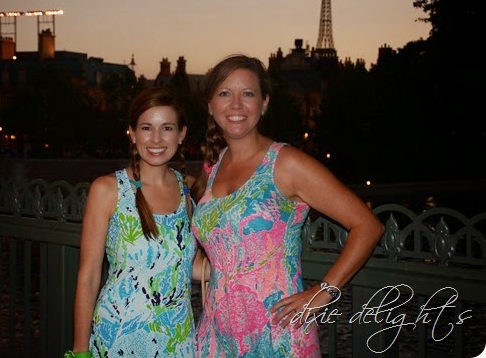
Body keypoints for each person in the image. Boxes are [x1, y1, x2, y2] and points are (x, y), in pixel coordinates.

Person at [191, 54, 385, 357]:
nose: (236, 105)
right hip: (217, 335)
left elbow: (368, 225)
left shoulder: (286, 163)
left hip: (277, 332)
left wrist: (324, 291)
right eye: (225, 93)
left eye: (248, 94)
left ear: (264, 104)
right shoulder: (214, 167)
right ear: (210, 105)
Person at [70, 87, 199, 358]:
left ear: (181, 134)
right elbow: (89, 276)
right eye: (146, 128)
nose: (156, 138)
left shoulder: (188, 190)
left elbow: (186, 265)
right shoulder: (108, 190)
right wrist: (80, 352)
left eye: (167, 128)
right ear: (132, 133)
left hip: (177, 341)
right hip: (118, 339)